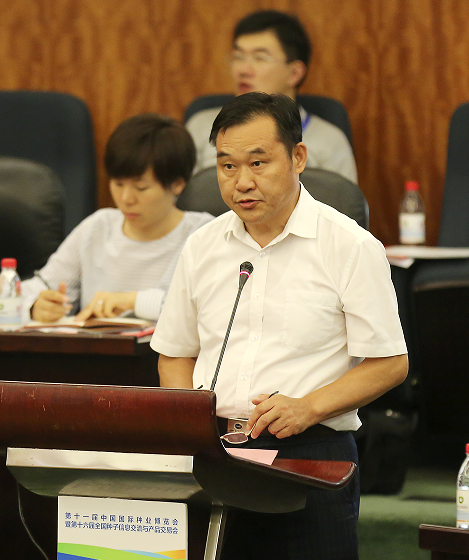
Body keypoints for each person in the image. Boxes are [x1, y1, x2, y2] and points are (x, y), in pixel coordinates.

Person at [151, 92, 408, 559]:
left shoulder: (350, 245)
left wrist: (308, 407)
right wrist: (187, 424)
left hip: (310, 452)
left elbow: (390, 363)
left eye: (258, 163)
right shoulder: (202, 246)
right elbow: (175, 351)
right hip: (214, 453)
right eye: (227, 166)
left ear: (298, 157)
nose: (242, 182)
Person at [22, 113, 213, 323]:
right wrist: (35, 305)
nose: (125, 199)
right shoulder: (97, 227)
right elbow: (33, 289)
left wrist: (133, 301)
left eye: (141, 187)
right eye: (118, 184)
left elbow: (211, 307)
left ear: (177, 184)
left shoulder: (204, 234)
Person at [186, 9, 358, 183]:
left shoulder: (330, 141)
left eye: (260, 58)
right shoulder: (200, 127)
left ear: (294, 73)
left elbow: (343, 200)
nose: (243, 70)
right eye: (238, 56)